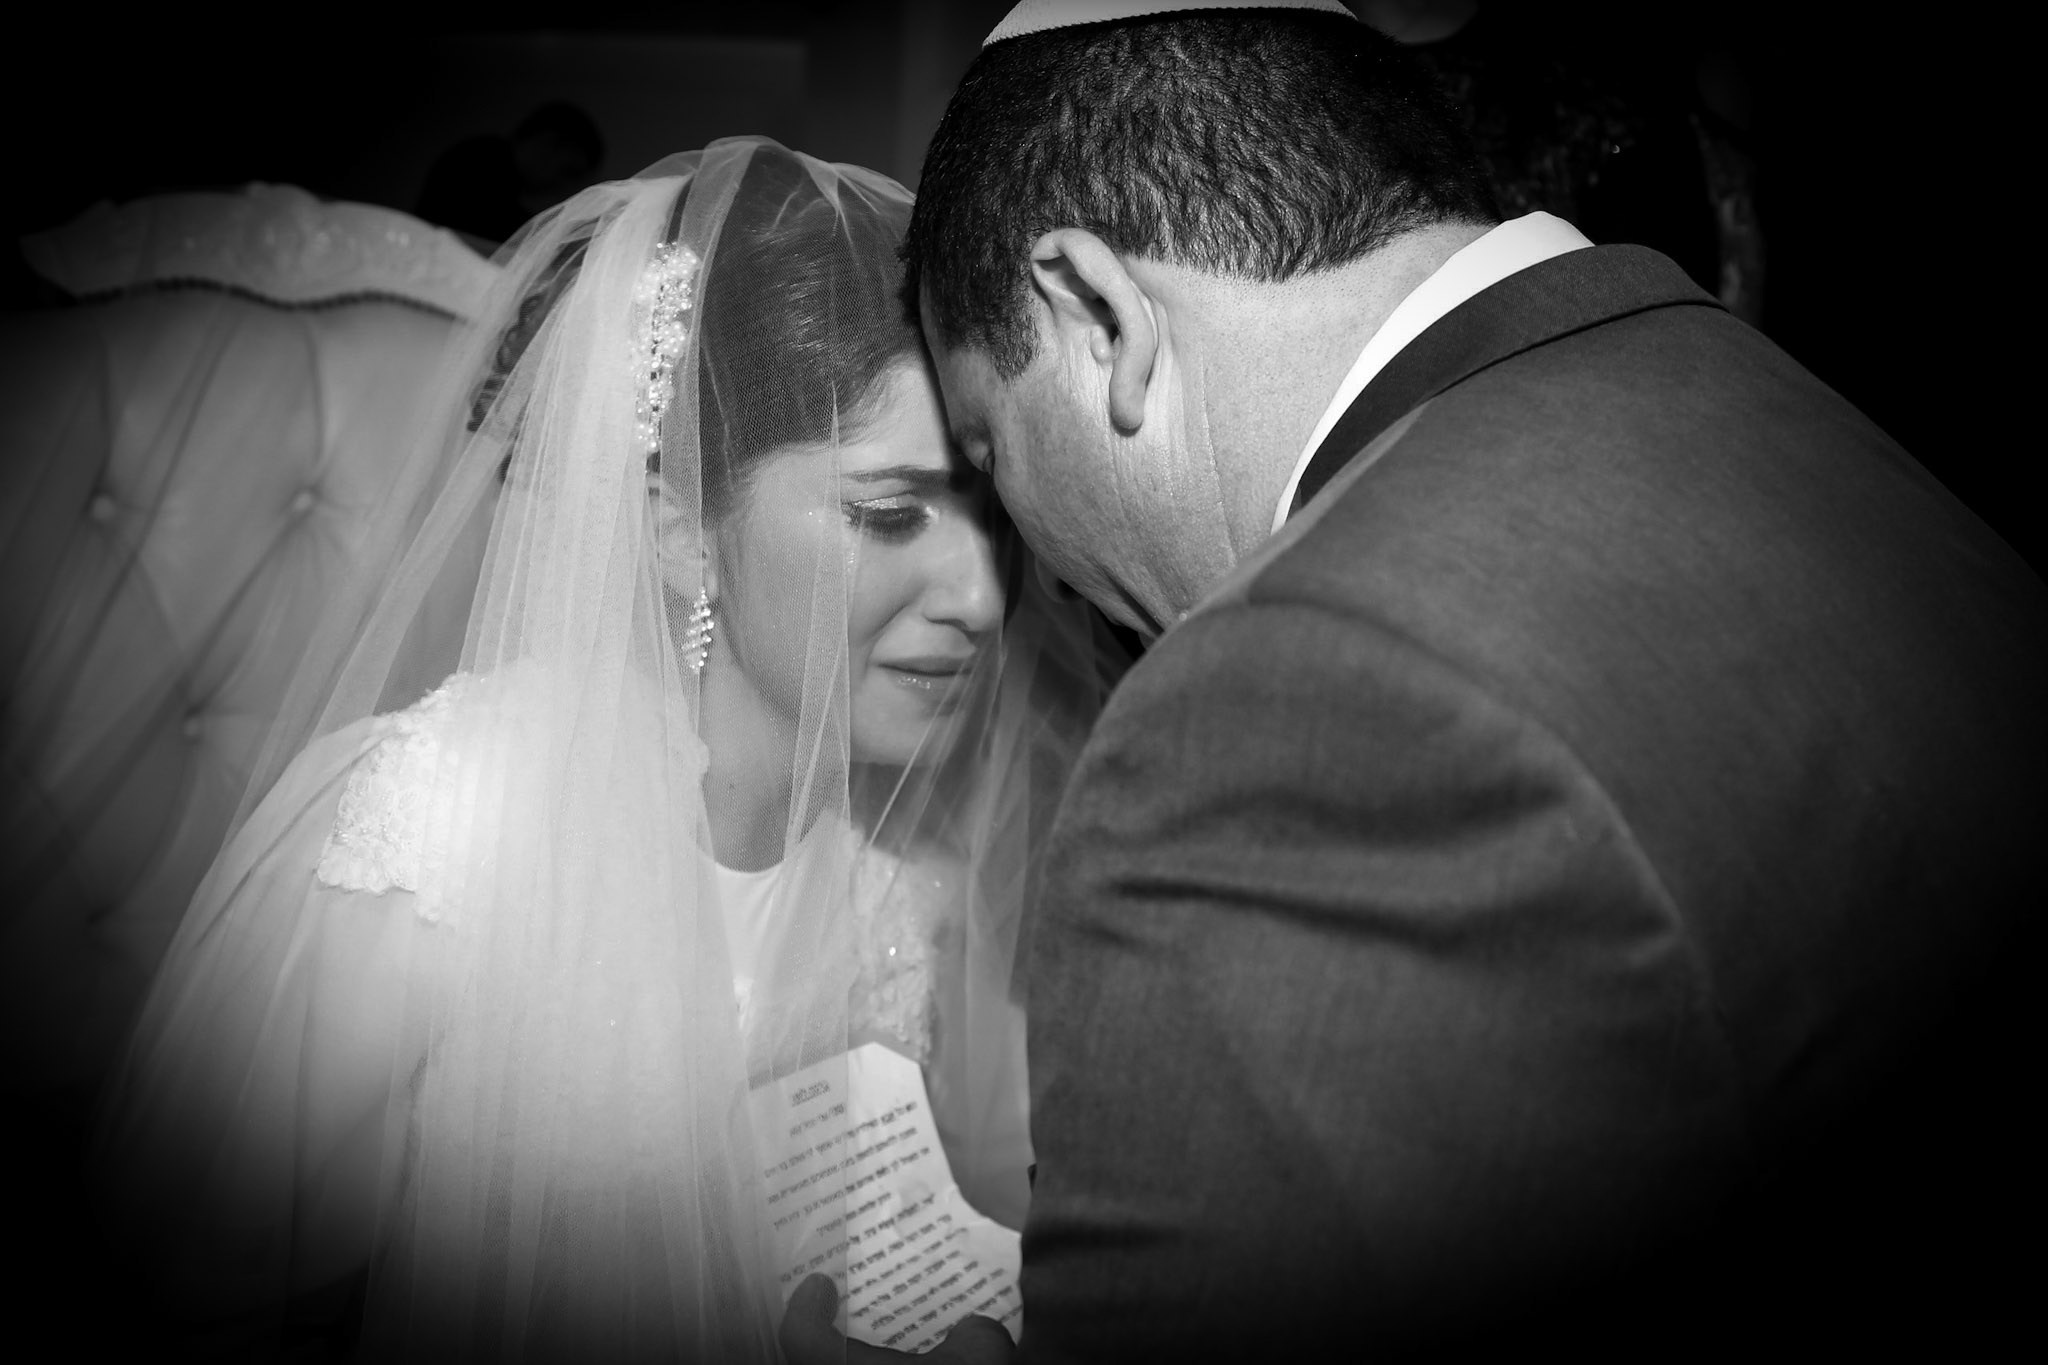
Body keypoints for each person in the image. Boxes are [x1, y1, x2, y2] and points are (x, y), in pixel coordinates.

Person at [783, 2, 2048, 1360]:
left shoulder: (1274, 710)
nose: (1021, 567)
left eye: (990, 453)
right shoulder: (1773, 407)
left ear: (1100, 317)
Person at [92, 136, 1106, 1361]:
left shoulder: (890, 886)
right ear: (683, 529)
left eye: (987, 516)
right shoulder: (445, 837)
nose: (982, 602)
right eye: (889, 514)